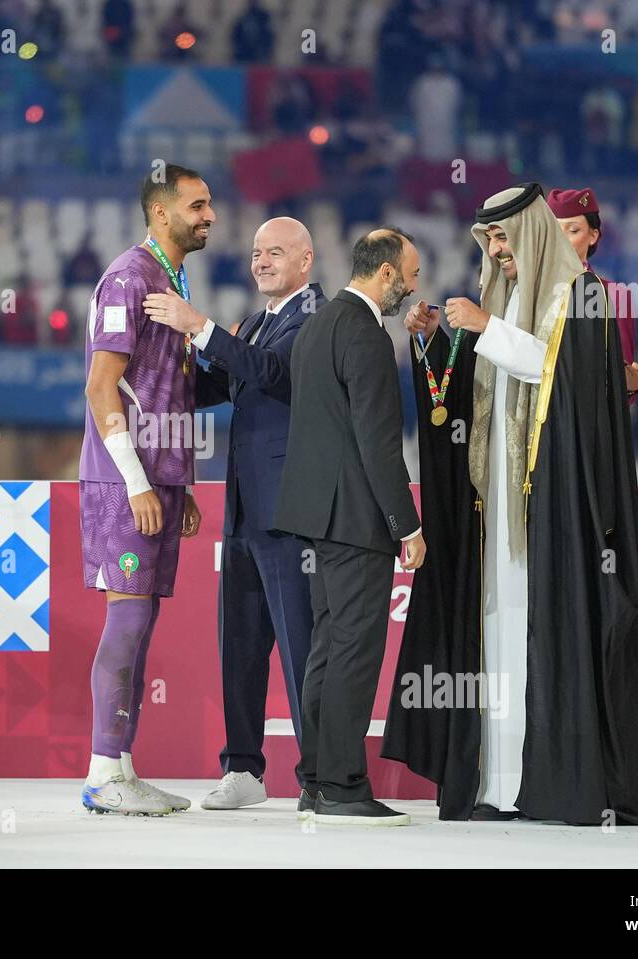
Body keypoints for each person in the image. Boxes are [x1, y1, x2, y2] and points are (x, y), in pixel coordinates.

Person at [386, 183, 638, 826]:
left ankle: (545, 781)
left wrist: (486, 328)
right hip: (496, 503)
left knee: (542, 629)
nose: (496, 250)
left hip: (554, 504)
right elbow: (475, 385)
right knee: (498, 631)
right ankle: (495, 784)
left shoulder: (580, 293)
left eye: (504, 237)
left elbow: (561, 373)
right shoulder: (504, 293)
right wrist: (440, 339)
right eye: (487, 240)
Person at [143, 217, 323, 810]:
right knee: (240, 645)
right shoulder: (255, 323)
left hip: (291, 515)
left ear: (306, 259)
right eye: (255, 252)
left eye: (275, 252)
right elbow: (212, 386)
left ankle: (320, 773)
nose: (261, 261)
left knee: (300, 647)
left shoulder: (316, 321)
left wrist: (200, 327)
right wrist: (148, 368)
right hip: (244, 512)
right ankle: (243, 769)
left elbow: (273, 374)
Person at [272, 228, 426, 825]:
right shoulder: (365, 334)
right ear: (385, 273)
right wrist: (406, 525)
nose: (413, 289)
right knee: (354, 654)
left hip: (320, 516)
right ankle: (341, 784)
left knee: (328, 652)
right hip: (358, 519)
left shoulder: (317, 325)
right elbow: (379, 444)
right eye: (409, 276)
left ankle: (315, 779)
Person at [78, 164, 211, 816]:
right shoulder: (128, 278)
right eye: (198, 204)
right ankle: (103, 769)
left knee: (144, 620)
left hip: (158, 480)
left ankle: (123, 766)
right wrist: (136, 481)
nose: (209, 215)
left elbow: (168, 389)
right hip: (122, 481)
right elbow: (102, 388)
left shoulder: (172, 278)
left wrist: (176, 485)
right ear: (161, 212)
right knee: (127, 617)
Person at [546, 187, 638, 401]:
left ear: (593, 235)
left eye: (572, 231)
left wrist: (629, 385)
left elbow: (622, 383)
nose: (561, 239)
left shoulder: (615, 296)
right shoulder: (527, 290)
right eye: (555, 230)